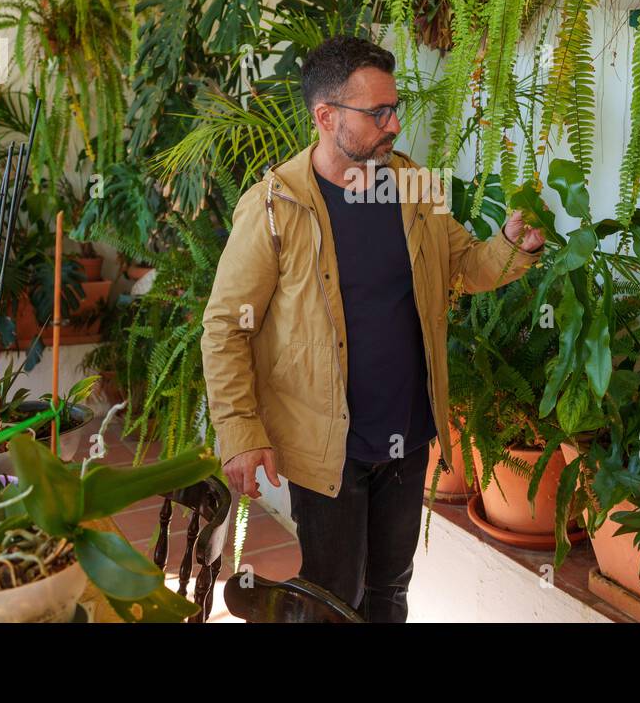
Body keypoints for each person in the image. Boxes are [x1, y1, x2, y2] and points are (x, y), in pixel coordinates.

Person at [201, 35, 545, 622]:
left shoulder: (411, 186)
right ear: (326, 117)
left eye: (395, 108)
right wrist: (238, 426)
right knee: (334, 596)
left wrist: (511, 247)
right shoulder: (274, 208)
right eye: (376, 113)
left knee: (391, 590)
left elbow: (464, 265)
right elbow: (225, 327)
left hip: (407, 437)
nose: (392, 124)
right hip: (328, 449)